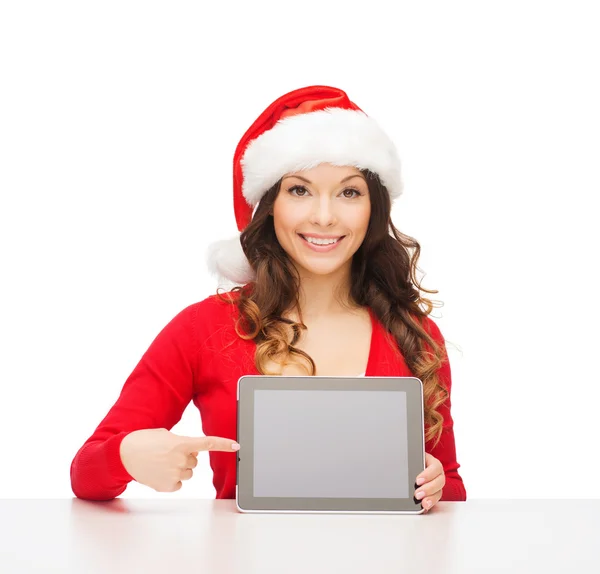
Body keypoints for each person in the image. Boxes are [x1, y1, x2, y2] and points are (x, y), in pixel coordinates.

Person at [70, 85, 467, 511]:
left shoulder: (414, 335)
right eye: (300, 190)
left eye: (349, 192)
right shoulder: (202, 327)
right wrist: (127, 456)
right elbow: (86, 472)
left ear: (374, 209)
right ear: (270, 205)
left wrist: (436, 487)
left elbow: (452, 495)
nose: (324, 216)